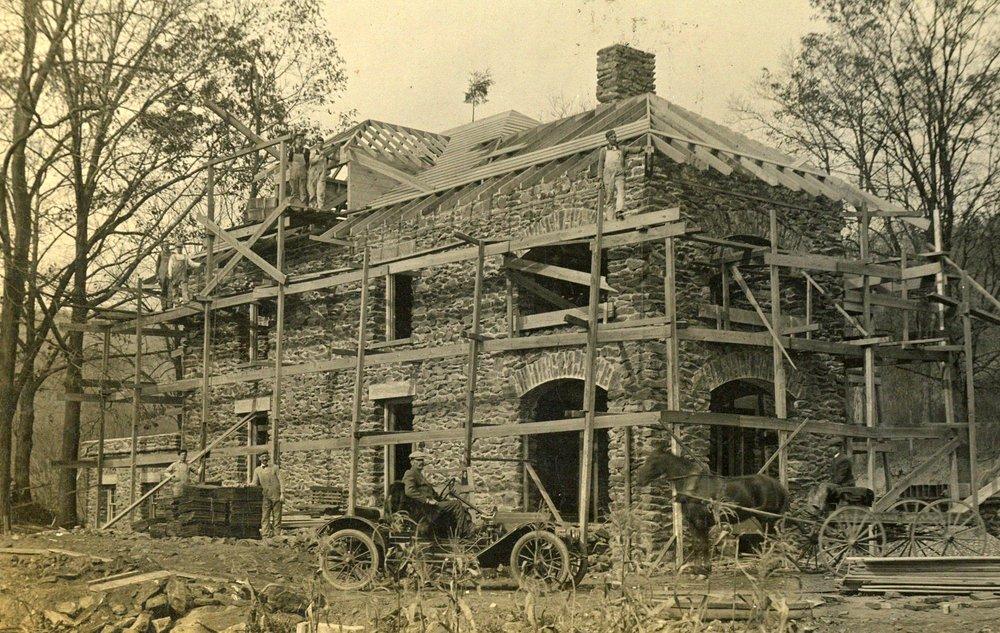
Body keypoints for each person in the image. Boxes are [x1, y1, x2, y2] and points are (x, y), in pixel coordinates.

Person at [401, 451, 471, 537]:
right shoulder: (410, 473)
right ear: (412, 462)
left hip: (432, 505)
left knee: (453, 504)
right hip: (426, 508)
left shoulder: (419, 474)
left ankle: (453, 532)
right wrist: (426, 500)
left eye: (422, 460)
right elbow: (409, 491)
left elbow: (429, 492)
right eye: (418, 460)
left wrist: (440, 497)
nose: (421, 462)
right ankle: (464, 534)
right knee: (457, 505)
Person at [596, 130, 645, 218]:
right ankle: (610, 218)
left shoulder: (621, 148)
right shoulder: (603, 151)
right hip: (608, 175)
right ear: (607, 139)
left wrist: (642, 148)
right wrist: (600, 178)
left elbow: (631, 149)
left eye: (615, 136)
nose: (614, 139)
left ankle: (619, 211)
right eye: (611, 137)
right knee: (609, 197)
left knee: (621, 191)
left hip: (619, 174)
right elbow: (600, 165)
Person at [250, 452, 283, 538]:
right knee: (265, 516)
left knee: (277, 516)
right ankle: (265, 535)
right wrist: (247, 485)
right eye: (262, 457)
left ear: (268, 458)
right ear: (259, 459)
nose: (264, 459)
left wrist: (282, 494)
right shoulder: (257, 470)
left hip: (276, 495)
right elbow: (254, 483)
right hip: (266, 496)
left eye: (266, 457)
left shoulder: (275, 468)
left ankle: (277, 535)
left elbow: (281, 481)